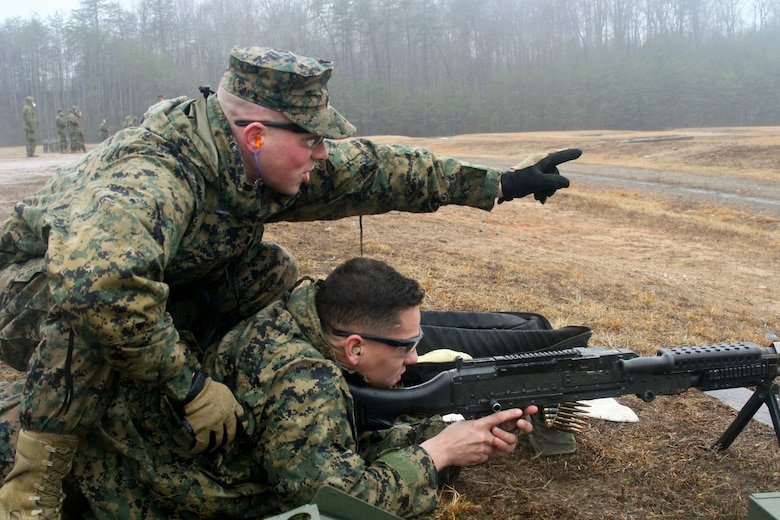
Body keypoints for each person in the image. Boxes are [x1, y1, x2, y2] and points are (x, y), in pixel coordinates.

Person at [0, 45, 579, 519]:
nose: (322, 154)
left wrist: (501, 183)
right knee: (92, 317)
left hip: (154, 284)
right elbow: (98, 285)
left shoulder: (259, 159)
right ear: (256, 134)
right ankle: (31, 488)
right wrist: (190, 386)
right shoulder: (153, 175)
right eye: (311, 140)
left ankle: (245, 393)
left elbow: (375, 170)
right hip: (39, 293)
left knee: (269, 266)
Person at [0, 257, 538, 518]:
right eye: (405, 346)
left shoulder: (294, 314)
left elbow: (321, 446)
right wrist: (437, 453)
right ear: (353, 348)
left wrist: (448, 431)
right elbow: (333, 503)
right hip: (105, 485)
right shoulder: (303, 377)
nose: (415, 357)